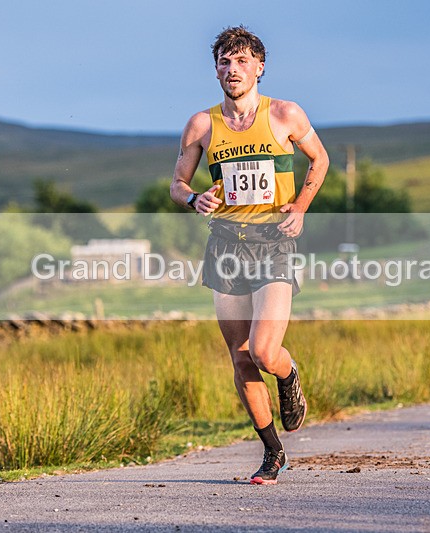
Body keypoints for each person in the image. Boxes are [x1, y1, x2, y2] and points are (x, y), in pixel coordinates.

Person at [170, 25, 329, 485]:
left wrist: (300, 207)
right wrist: (193, 198)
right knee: (239, 357)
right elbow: (178, 182)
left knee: (264, 350)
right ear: (215, 69)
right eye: (224, 61)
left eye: (241, 61)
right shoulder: (202, 124)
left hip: (273, 242)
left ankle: (289, 371)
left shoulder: (284, 114)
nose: (232, 69)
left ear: (260, 67)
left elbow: (319, 159)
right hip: (224, 245)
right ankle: (272, 452)